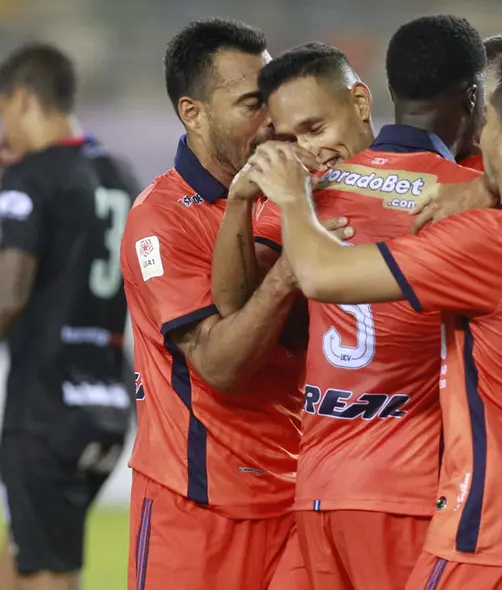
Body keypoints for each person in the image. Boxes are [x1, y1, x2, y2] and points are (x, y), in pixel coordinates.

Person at [244, 45, 502, 590]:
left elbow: (319, 275)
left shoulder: (491, 242)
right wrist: (497, 181)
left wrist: (294, 200)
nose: (478, 137)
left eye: (490, 124)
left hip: (486, 538)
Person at [211, 21, 485, 588]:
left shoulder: (306, 201)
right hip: (358, 492)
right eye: (291, 139)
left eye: (315, 128)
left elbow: (234, 300)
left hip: (378, 490)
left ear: (361, 101)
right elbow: (233, 309)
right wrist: (240, 202)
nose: (309, 148)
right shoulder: (461, 194)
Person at [118, 18, 344, 590]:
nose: (271, 119)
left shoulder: (297, 190)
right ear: (193, 113)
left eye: (271, 98)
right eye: (250, 103)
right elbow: (220, 367)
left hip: (301, 500)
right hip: (198, 511)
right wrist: (289, 273)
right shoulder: (160, 221)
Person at [0, 43, 139, 590]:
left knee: (49, 573)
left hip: (45, 409)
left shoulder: (32, 174)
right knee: (16, 569)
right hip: (104, 403)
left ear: (23, 98)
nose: (2, 127)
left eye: (2, 111)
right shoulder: (119, 174)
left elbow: (7, 295)